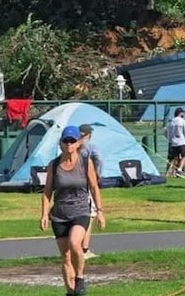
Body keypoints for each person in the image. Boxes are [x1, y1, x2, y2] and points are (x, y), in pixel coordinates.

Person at [40, 126, 106, 296]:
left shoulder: (85, 162)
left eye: (72, 141)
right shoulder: (54, 165)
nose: (69, 144)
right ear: (61, 143)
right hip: (60, 214)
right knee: (66, 257)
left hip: (80, 211)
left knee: (75, 243)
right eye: (65, 141)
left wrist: (100, 211)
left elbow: (94, 186)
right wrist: (44, 214)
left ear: (78, 143)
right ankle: (71, 292)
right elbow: (47, 191)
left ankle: (80, 278)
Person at [77, 124, 103, 260]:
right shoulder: (90, 147)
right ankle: (84, 249)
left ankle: (75, 247)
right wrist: (97, 174)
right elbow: (99, 160)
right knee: (89, 217)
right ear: (88, 135)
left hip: (72, 185)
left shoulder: (69, 146)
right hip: (86, 184)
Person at [165, 107, 185, 178]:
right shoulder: (183, 121)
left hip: (173, 142)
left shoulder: (170, 122)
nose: (184, 114)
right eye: (183, 113)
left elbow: (166, 132)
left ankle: (174, 173)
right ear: (180, 113)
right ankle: (179, 170)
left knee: (175, 158)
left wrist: (170, 139)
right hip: (182, 142)